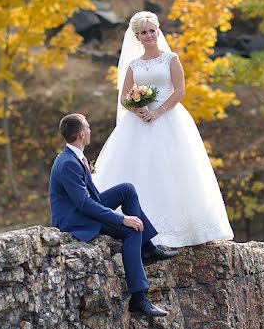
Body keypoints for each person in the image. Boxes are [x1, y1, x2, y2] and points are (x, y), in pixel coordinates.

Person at [93, 11, 234, 248]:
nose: (148, 35)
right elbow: (124, 98)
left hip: (169, 118)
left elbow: (179, 90)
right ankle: (136, 224)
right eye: (143, 33)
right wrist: (138, 107)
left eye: (152, 30)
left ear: (158, 31)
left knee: (175, 169)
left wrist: (157, 112)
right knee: (141, 168)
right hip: (139, 121)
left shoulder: (171, 59)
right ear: (137, 37)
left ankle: (184, 230)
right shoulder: (134, 65)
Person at [49, 113, 178, 317]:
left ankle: (147, 247)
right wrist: (121, 219)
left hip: (82, 209)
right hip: (76, 219)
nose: (90, 130)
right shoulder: (68, 163)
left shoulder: (73, 156)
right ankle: (139, 299)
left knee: (127, 190)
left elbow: (88, 198)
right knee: (131, 231)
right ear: (82, 134)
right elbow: (84, 204)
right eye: (88, 127)